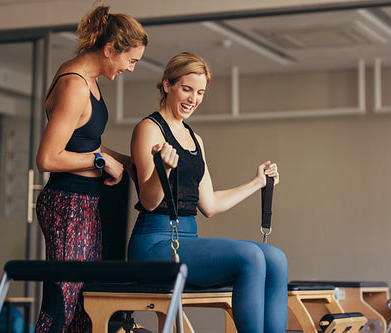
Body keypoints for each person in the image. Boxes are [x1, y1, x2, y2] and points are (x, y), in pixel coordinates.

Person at [127, 52, 288, 333]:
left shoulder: (194, 139)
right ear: (168, 85)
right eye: (187, 89)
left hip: (187, 240)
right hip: (155, 244)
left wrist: (257, 182)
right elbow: (148, 201)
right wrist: (161, 170)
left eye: (200, 92)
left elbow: (210, 204)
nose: (193, 99)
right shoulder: (149, 129)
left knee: (275, 257)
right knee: (249, 256)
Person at [35, 4, 148, 332]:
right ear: (110, 49)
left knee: (85, 307)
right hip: (67, 203)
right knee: (61, 306)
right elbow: (48, 158)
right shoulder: (75, 84)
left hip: (85, 202)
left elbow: (84, 143)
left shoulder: (88, 80)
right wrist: (101, 161)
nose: (130, 68)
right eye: (131, 60)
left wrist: (124, 162)